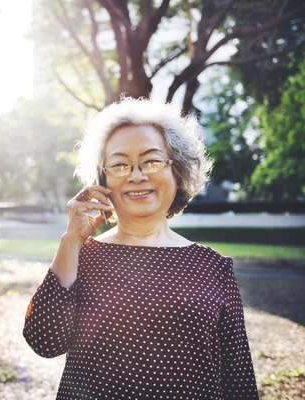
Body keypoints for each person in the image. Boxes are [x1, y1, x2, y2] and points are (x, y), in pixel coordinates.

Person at [22, 97, 258, 399]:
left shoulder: (214, 267)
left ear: (178, 171)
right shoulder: (81, 256)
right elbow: (43, 341)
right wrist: (70, 241)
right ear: (102, 179)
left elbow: (238, 377)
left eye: (151, 160)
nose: (136, 175)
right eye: (120, 164)